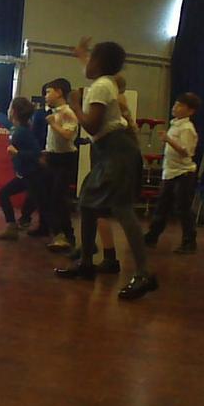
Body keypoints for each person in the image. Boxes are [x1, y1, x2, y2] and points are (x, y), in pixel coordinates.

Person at [55, 38, 156, 300]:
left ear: (99, 63)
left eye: (91, 59)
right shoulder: (105, 81)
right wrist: (82, 55)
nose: (86, 65)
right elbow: (89, 70)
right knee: (88, 203)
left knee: (122, 209)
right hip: (110, 151)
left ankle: (144, 274)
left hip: (116, 151)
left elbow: (91, 126)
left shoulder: (100, 86)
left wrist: (75, 104)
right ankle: (86, 263)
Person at [144, 92, 201, 254]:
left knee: (183, 208)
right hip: (170, 172)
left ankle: (189, 241)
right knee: (162, 206)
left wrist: (169, 140)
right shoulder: (175, 124)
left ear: (190, 111)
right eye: (176, 104)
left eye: (180, 106)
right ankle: (152, 237)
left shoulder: (187, 128)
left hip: (183, 173)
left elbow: (186, 152)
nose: (175, 107)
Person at [0, 97, 41, 241]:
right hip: (25, 174)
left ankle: (14, 226)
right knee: (6, 194)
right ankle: (14, 225)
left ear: (13, 112)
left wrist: (18, 153)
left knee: (6, 194)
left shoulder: (22, 132)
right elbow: (9, 126)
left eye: (10, 108)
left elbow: (36, 153)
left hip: (31, 174)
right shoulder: (18, 129)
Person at [39, 78, 79, 252]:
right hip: (53, 157)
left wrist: (53, 124)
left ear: (59, 92)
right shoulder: (54, 112)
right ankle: (58, 234)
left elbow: (68, 135)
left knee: (58, 198)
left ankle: (67, 236)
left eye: (49, 92)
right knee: (49, 197)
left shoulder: (68, 113)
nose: (46, 96)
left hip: (65, 159)